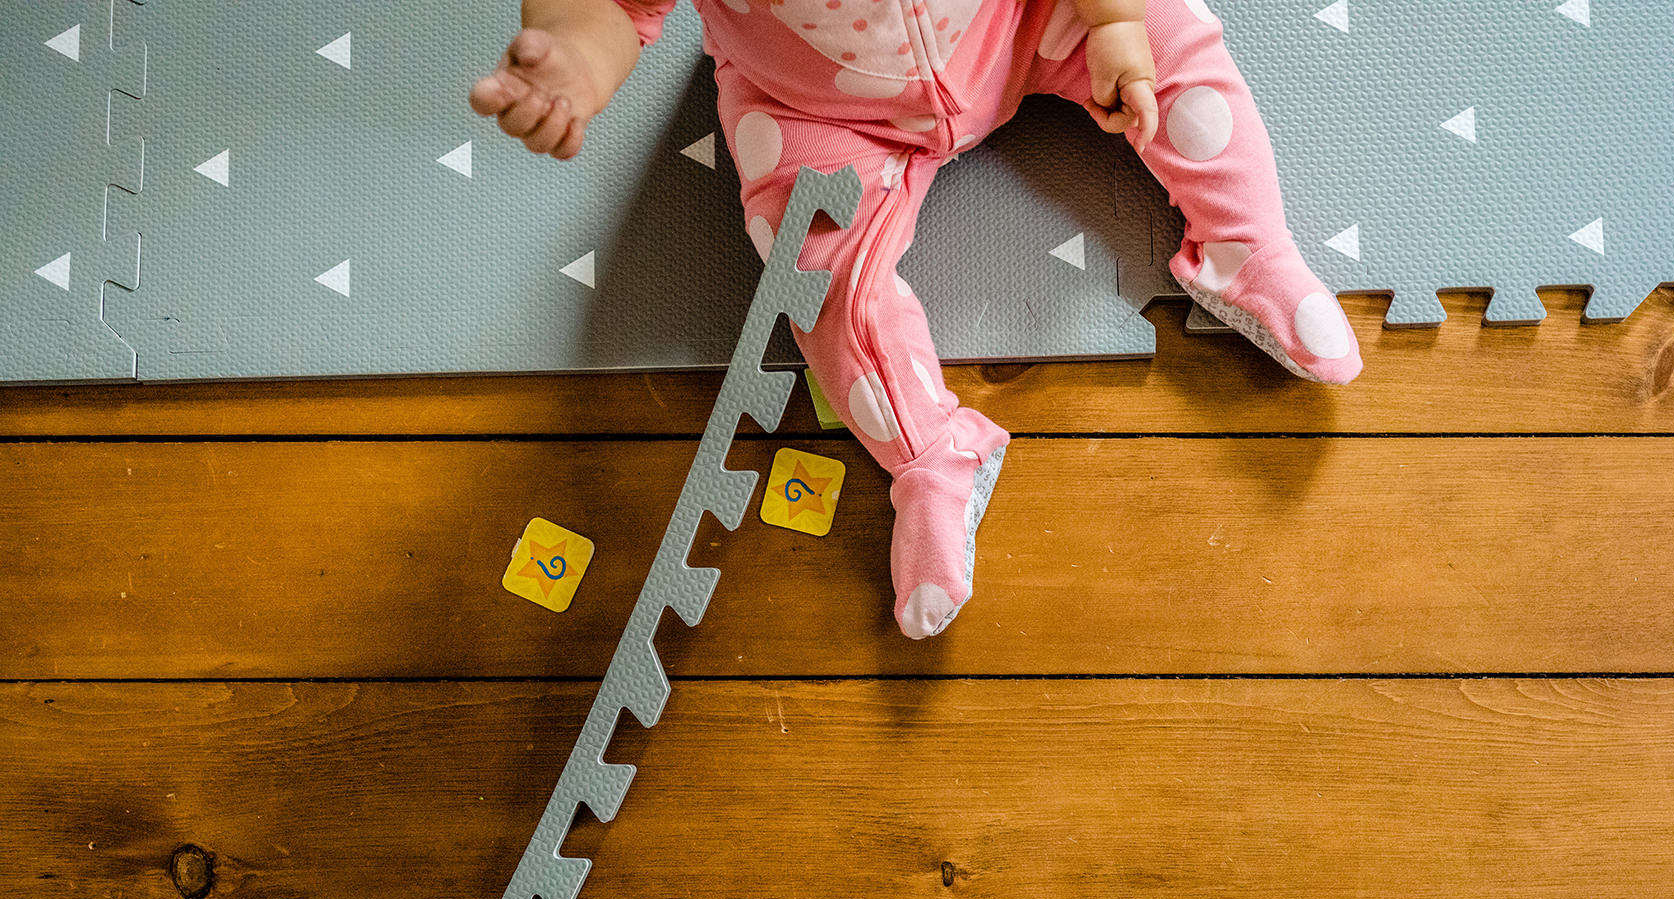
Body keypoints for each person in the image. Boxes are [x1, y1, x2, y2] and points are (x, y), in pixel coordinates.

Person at [472, 0, 1361, 639]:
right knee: (813, 273)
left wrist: (1116, 20)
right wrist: (575, 64)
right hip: (814, 104)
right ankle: (931, 454)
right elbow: (605, 8)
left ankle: (1246, 248)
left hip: (1012, 22)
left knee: (1178, 46)